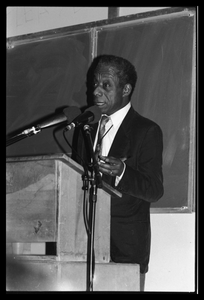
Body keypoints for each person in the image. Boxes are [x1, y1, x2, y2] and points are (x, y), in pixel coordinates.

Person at [72, 54, 164, 291]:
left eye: (106, 85)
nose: (96, 91)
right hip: (82, 244)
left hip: (125, 247)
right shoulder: (86, 128)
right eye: (94, 83)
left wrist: (123, 171)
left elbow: (154, 190)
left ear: (126, 89)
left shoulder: (146, 131)